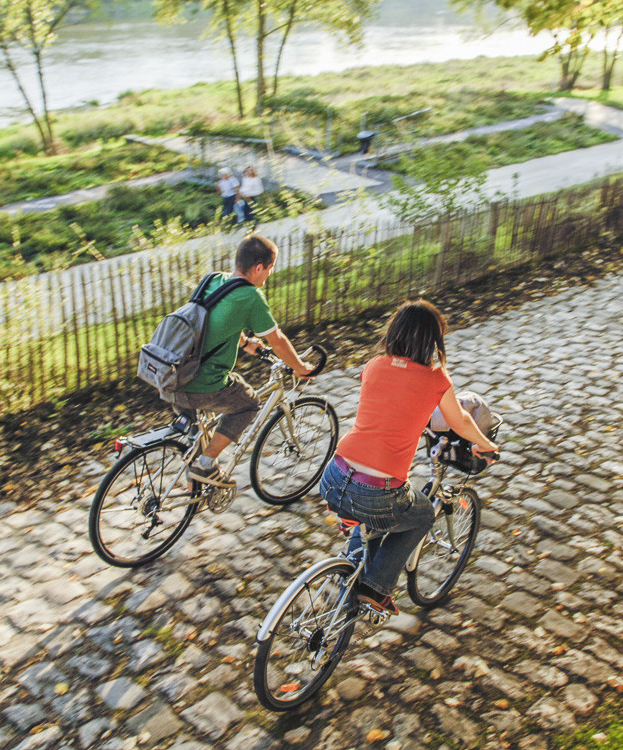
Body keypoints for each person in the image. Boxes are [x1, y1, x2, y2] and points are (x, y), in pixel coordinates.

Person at [319, 299, 499, 615]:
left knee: (374, 514)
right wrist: (486, 445)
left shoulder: (374, 365)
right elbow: (460, 421)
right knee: (422, 514)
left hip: (334, 475)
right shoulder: (436, 379)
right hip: (378, 491)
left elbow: (392, 402)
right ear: (433, 341)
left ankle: (354, 563)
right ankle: (376, 588)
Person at [174, 234, 313, 488]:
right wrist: (300, 367)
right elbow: (277, 341)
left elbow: (210, 322)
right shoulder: (250, 296)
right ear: (259, 268)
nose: (270, 274)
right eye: (270, 268)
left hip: (173, 377)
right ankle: (205, 464)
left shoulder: (214, 280)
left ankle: (196, 486)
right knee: (248, 403)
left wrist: (245, 343)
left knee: (199, 436)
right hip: (198, 385)